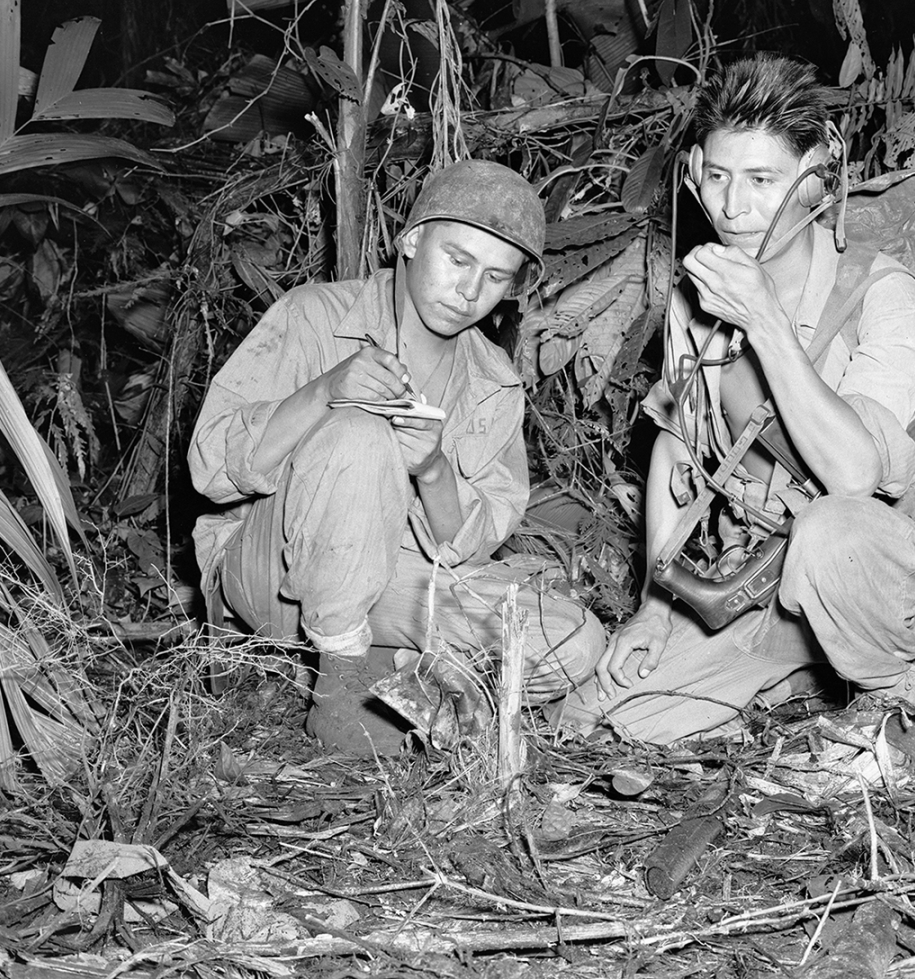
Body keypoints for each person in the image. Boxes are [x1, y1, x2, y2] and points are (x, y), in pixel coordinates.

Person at [554, 55, 915, 744]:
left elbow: (855, 475)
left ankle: (894, 704)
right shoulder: (697, 300)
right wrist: (656, 604)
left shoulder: (880, 294)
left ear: (815, 181)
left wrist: (766, 321)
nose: (732, 206)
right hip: (754, 576)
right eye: (717, 177)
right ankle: (801, 671)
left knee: (832, 533)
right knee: (607, 721)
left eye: (762, 180)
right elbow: (678, 447)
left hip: (873, 575)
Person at [189, 158, 605, 755]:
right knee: (359, 434)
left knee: (570, 642)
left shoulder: (492, 381)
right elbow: (209, 470)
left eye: (494, 277)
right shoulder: (314, 316)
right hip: (273, 574)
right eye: (457, 260)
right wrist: (323, 393)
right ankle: (339, 691)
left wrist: (433, 470)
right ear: (412, 239)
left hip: (390, 583)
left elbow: (474, 544)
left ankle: (398, 673)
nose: (469, 291)